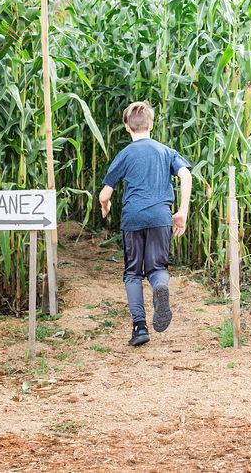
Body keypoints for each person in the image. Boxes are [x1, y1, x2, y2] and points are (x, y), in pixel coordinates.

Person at [99, 101, 192, 347]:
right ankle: (160, 287)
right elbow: (185, 174)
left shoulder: (125, 154)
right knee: (157, 268)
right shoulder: (165, 151)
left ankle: (140, 327)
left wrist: (105, 208)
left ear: (127, 128)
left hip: (133, 218)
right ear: (151, 124)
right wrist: (182, 211)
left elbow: (105, 194)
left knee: (132, 273)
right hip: (161, 217)